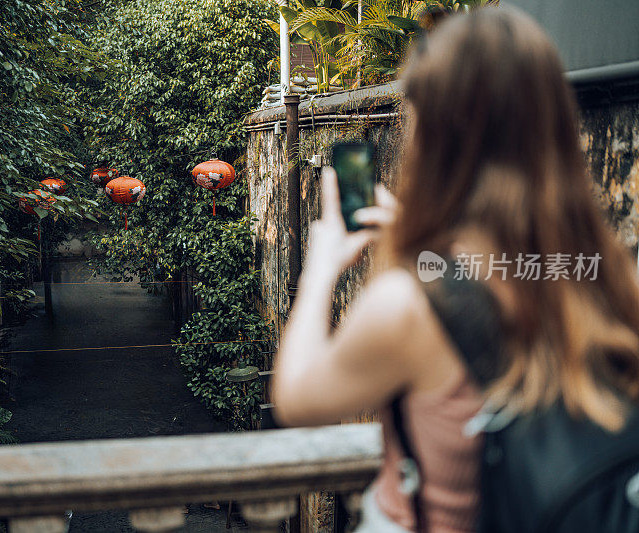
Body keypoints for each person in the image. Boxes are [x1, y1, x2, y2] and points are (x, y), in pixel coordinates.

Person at [271, 6, 639, 533]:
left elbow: (298, 399)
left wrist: (321, 265)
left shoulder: (410, 305)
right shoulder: (609, 275)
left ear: (432, 134)